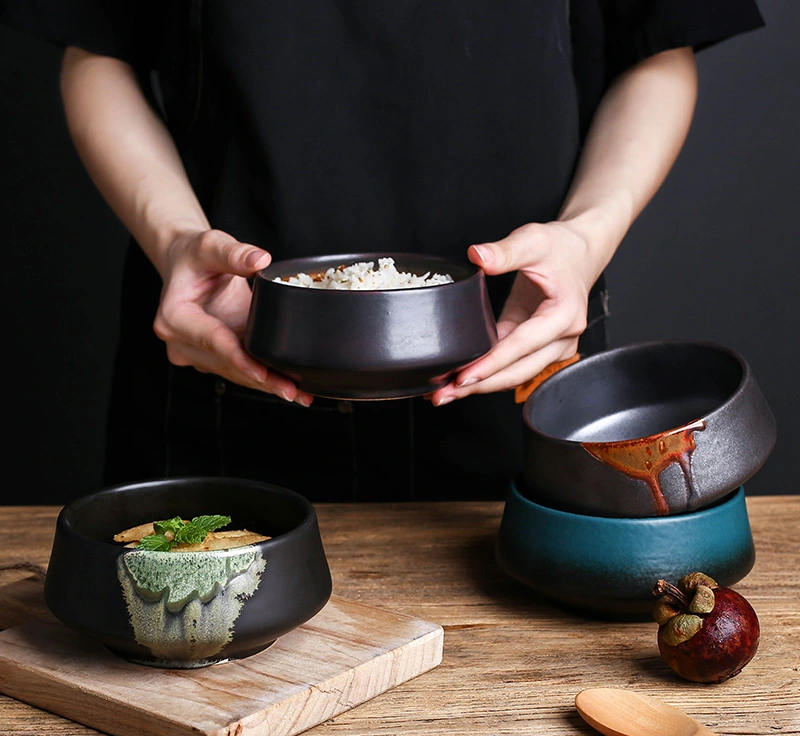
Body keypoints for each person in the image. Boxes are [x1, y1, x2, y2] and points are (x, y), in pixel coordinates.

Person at [2, 1, 764, 502]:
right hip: (227, 377)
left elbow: (659, 44)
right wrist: (173, 240)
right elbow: (97, 45)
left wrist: (587, 236)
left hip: (516, 367)